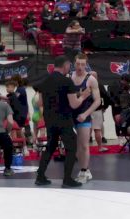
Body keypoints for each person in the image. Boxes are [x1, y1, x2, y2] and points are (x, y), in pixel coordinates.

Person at [34, 55, 91, 188]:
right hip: (64, 119)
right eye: (69, 66)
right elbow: (74, 104)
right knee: (71, 148)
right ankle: (67, 179)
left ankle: (40, 176)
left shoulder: (45, 81)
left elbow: (39, 102)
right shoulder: (67, 81)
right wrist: (83, 96)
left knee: (50, 146)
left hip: (49, 119)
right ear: (65, 65)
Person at [70, 53, 101, 184]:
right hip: (71, 115)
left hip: (84, 116)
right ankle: (86, 169)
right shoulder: (70, 77)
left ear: (86, 64)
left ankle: (83, 171)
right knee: (75, 147)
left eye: (83, 64)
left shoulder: (91, 80)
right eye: (78, 64)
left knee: (84, 145)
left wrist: (86, 114)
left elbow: (98, 101)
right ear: (74, 63)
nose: (80, 67)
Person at [90, 71, 111, 152]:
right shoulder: (99, 85)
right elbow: (107, 97)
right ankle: (100, 147)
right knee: (97, 129)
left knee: (85, 129)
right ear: (97, 77)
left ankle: (83, 149)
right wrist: (104, 107)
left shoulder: (84, 85)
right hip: (96, 109)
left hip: (86, 110)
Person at [6, 80, 28, 155]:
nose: (7, 89)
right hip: (17, 116)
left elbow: (10, 104)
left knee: (16, 131)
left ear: (13, 87)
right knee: (17, 132)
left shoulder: (13, 95)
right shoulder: (11, 95)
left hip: (17, 116)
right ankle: (20, 148)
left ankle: (20, 148)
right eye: (6, 87)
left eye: (8, 87)